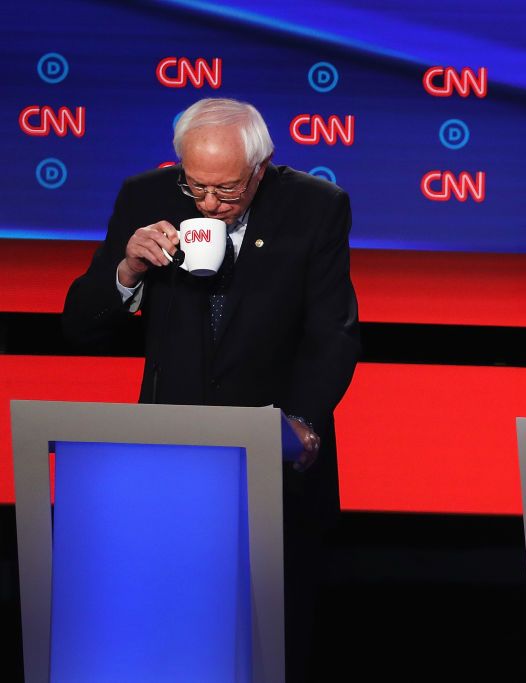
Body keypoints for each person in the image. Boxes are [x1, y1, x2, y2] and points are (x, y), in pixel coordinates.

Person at [62, 97, 360, 680]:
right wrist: (127, 270)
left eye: (226, 192)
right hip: (171, 468)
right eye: (194, 187)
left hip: (277, 469)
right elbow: (79, 326)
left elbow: (334, 334)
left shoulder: (315, 207)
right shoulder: (145, 198)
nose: (208, 206)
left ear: (261, 167)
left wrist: (303, 424)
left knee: (273, 645)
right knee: (171, 641)